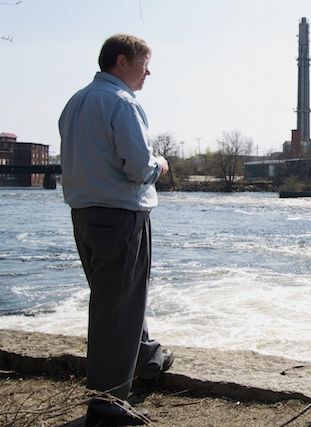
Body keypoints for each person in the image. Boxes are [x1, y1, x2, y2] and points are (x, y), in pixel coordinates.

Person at [59, 33, 174, 426]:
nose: (148, 73)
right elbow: (138, 167)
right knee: (118, 303)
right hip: (121, 214)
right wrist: (160, 164)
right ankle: (107, 403)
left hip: (83, 213)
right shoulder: (122, 102)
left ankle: (146, 356)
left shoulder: (75, 102)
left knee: (115, 297)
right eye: (145, 64)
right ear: (122, 61)